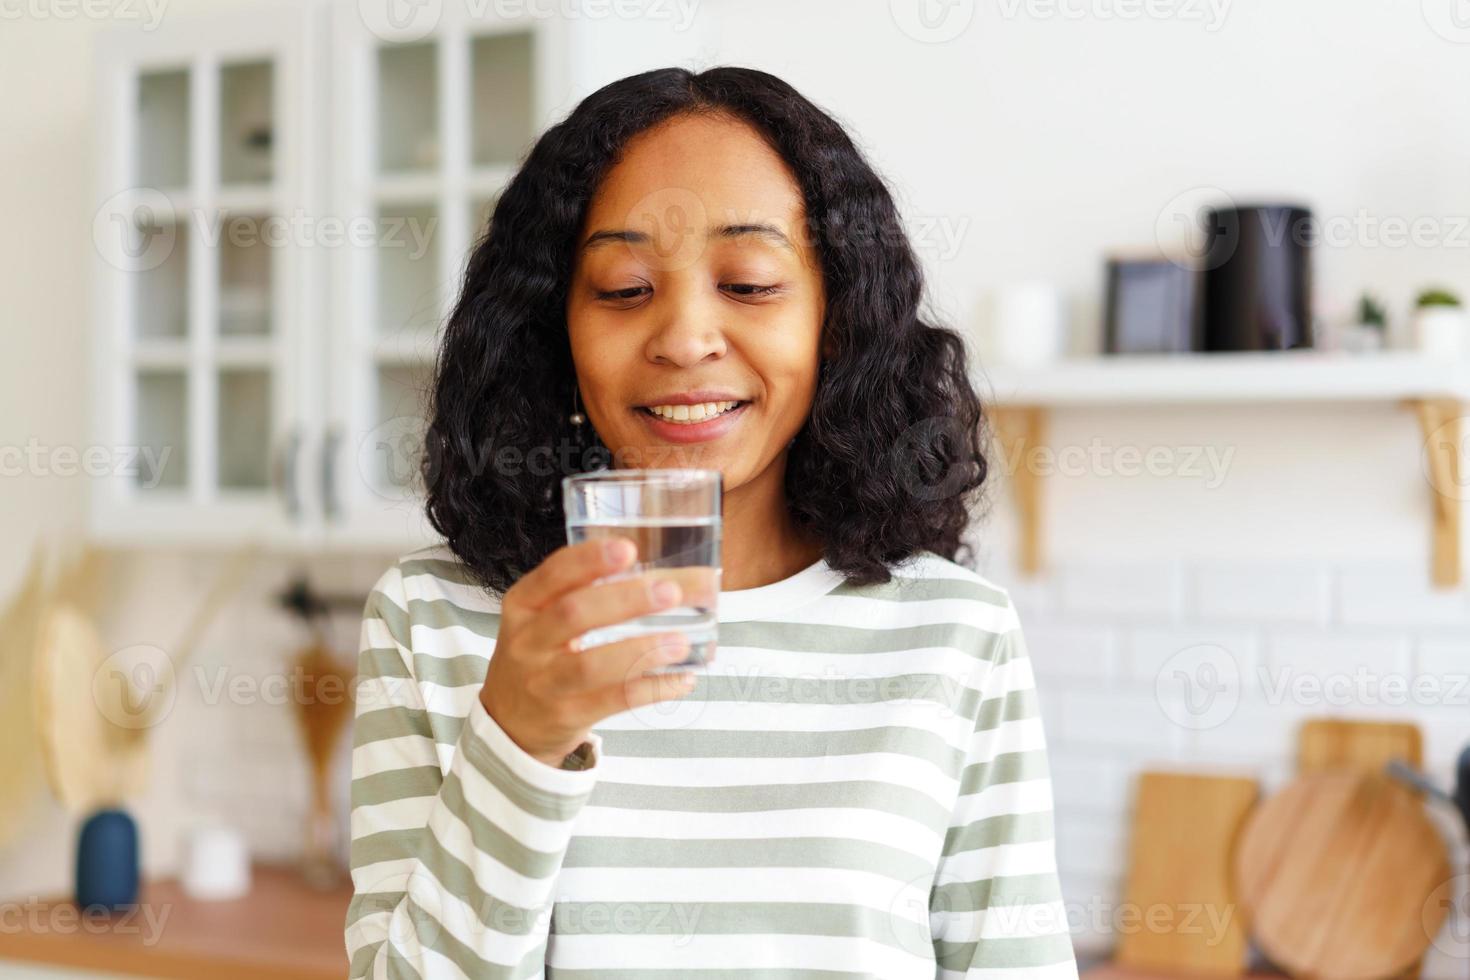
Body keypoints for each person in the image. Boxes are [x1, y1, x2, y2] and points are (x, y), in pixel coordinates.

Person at [345, 65, 1078, 979]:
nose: (686, 338)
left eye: (752, 283)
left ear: (835, 320)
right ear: (555, 330)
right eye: (622, 288)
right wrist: (517, 740)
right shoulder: (431, 619)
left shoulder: (957, 634)